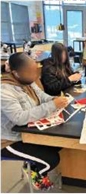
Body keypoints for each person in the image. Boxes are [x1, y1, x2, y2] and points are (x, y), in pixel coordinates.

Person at [1, 53, 67, 191]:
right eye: (30, 73)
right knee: (52, 159)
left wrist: (54, 100)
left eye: (35, 71)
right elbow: (19, 118)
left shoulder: (27, 81)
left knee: (58, 144)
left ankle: (31, 165)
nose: (34, 77)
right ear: (15, 73)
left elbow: (41, 96)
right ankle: (34, 171)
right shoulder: (4, 90)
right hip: (9, 140)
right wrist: (52, 105)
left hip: (28, 133)